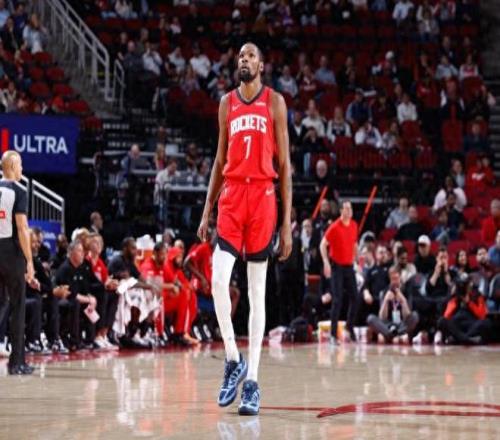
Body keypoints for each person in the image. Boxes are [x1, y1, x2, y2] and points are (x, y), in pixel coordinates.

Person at [197, 43, 292, 416]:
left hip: (263, 197)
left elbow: (284, 165)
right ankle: (233, 359)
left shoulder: (275, 102)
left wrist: (286, 224)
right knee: (218, 280)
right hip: (233, 196)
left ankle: (252, 381)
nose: (244, 60)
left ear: (262, 65)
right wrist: (207, 210)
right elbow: (219, 158)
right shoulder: (227, 103)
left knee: (256, 293)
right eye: (240, 56)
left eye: (251, 56)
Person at [0, 151, 35, 374]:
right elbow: (22, 228)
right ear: (12, 166)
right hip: (11, 252)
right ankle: (17, 363)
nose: (22, 169)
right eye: (20, 165)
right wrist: (29, 260)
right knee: (17, 306)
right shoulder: (18, 191)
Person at [320, 200, 359, 345]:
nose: (349, 211)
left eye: (350, 208)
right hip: (337, 267)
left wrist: (357, 260)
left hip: (349, 266)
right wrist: (326, 262)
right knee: (337, 300)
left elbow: (354, 244)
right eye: (346, 208)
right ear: (341, 210)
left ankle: (349, 327)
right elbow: (322, 244)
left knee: (355, 298)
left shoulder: (354, 225)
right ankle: (333, 335)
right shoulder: (335, 226)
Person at [367, 266, 419, 343]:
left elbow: (407, 315)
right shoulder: (384, 292)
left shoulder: (406, 290)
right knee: (370, 318)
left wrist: (403, 301)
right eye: (392, 279)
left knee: (415, 316)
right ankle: (396, 335)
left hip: (402, 324)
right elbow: (382, 317)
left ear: (400, 277)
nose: (394, 281)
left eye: (396, 278)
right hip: (388, 325)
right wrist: (385, 301)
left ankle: (391, 335)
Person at [437, 276, 491, 345]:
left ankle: (460, 339)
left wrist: (469, 303)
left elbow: (482, 315)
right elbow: (446, 316)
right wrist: (455, 299)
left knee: (486, 322)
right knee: (441, 321)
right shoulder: (454, 297)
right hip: (456, 325)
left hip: (471, 325)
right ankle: (467, 339)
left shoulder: (477, 295)